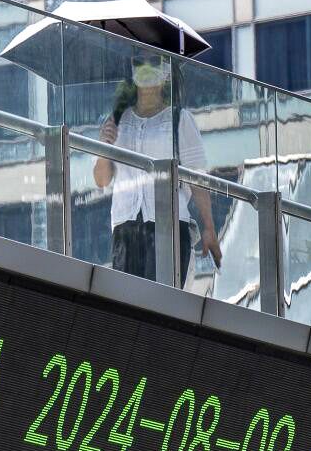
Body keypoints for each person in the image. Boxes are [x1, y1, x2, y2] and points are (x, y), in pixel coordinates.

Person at [90, 54, 221, 283]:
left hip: (168, 226)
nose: (146, 68)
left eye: (154, 62)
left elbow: (198, 178)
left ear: (167, 72)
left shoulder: (180, 119)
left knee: (163, 303)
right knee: (126, 305)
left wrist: (209, 228)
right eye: (139, 62)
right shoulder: (117, 120)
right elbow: (102, 180)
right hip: (125, 227)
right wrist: (104, 147)